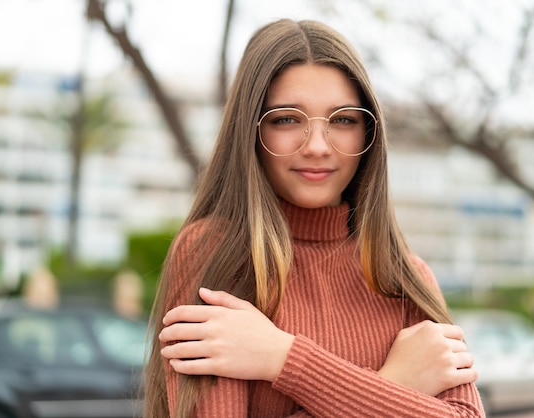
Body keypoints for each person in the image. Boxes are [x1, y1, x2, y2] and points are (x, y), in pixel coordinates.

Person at [144, 18, 485, 418]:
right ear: (251, 131)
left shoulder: (406, 277)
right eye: (287, 119)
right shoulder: (217, 253)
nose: (318, 146)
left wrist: (281, 357)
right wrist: (396, 385)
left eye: (343, 119)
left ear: (367, 133)